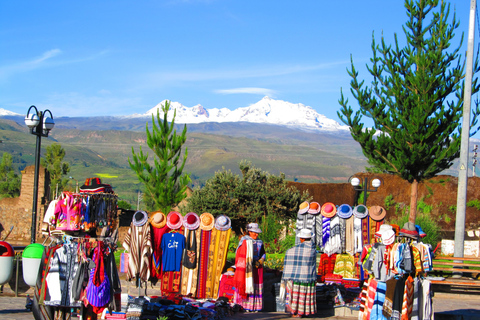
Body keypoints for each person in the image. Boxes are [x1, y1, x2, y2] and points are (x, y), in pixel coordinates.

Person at [282, 229, 317, 318]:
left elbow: (289, 254)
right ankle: (303, 312)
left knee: (297, 294)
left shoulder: (294, 250)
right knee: (305, 294)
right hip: (308, 276)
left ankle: (295, 311)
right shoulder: (312, 249)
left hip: (297, 277)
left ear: (302, 239)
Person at [233, 222, 266, 312]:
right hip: (247, 268)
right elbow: (239, 254)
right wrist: (248, 262)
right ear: (249, 232)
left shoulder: (260, 242)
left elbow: (263, 253)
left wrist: (261, 260)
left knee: (255, 286)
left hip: (256, 268)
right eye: (254, 232)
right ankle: (243, 305)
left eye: (257, 232)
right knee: (247, 283)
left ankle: (254, 306)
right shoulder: (244, 241)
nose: (256, 234)